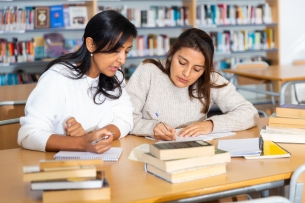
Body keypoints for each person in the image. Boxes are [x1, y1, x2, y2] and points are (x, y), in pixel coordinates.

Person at [18, 10, 137, 152]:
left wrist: (96, 137)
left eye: (126, 51)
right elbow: (29, 135)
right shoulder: (57, 77)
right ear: (91, 44)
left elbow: (125, 120)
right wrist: (82, 143)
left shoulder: (115, 76)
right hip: (60, 166)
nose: (122, 59)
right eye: (115, 50)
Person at [126, 28, 259, 141]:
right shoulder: (148, 70)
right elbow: (125, 118)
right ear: (172, 53)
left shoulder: (211, 79)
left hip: (195, 152)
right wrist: (151, 127)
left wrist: (211, 125)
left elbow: (250, 114)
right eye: (182, 63)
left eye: (197, 69)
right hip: (147, 149)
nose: (187, 73)